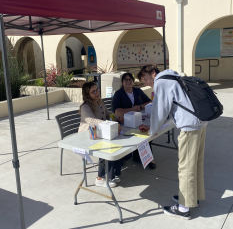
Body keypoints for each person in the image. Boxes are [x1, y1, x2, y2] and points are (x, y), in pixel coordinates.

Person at [137, 65, 208, 220]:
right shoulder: (174, 77)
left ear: (153, 73)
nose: (147, 84)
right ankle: (191, 198)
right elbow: (172, 108)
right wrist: (154, 126)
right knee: (195, 163)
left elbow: (158, 110)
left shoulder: (161, 82)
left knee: (185, 167)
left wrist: (152, 131)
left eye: (146, 79)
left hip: (189, 127)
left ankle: (183, 209)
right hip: (200, 123)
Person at [78, 82, 122, 188]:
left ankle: (112, 174)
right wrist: (109, 124)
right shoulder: (85, 107)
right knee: (107, 148)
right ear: (87, 94)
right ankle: (100, 178)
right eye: (93, 91)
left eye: (97, 89)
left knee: (117, 144)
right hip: (87, 136)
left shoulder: (99, 102)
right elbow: (91, 120)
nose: (97, 92)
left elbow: (107, 114)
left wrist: (117, 118)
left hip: (99, 133)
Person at [112, 72, 157, 169]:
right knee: (141, 134)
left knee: (145, 133)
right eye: (125, 80)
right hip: (125, 123)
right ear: (122, 82)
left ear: (133, 81)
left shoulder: (138, 91)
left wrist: (140, 106)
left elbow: (149, 101)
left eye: (130, 80)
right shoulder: (119, 94)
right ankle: (148, 159)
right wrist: (133, 109)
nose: (128, 82)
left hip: (139, 120)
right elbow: (116, 111)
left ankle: (142, 157)